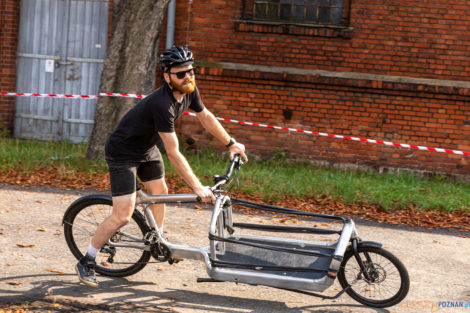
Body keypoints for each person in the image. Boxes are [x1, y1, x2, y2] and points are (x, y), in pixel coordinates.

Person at [75, 45, 248, 288]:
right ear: (167, 77)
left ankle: (157, 239)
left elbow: (205, 116)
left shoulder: (189, 90)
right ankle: (87, 260)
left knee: (160, 193)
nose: (187, 77)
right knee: (123, 214)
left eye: (190, 71)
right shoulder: (162, 104)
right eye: (180, 73)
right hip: (123, 151)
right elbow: (174, 153)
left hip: (146, 149)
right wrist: (198, 187)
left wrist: (231, 143)